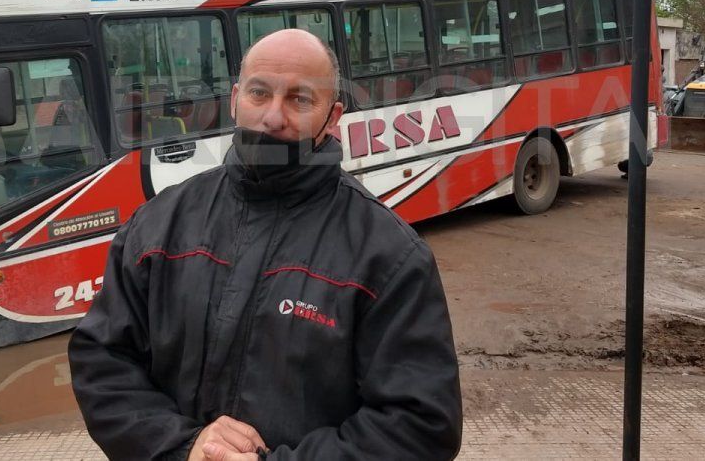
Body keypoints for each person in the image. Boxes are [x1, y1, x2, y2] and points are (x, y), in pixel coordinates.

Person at [69, 29, 463, 461]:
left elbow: (421, 428)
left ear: (332, 118)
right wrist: (182, 445)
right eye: (260, 93)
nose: (273, 117)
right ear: (236, 99)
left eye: (299, 99)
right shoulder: (159, 225)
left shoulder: (389, 256)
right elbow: (102, 361)